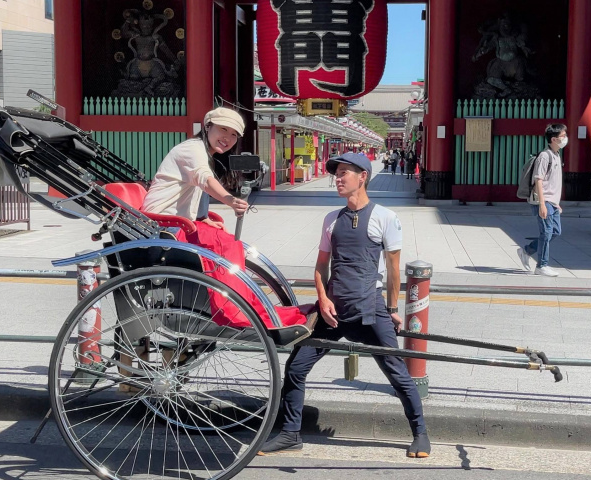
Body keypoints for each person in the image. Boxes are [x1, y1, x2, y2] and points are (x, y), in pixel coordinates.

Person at [259, 152, 431, 459]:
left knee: (396, 372)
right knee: (296, 367)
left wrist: (392, 310)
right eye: (336, 174)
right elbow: (320, 267)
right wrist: (323, 298)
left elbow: (393, 270)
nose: (337, 179)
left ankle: (420, 434)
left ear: (362, 176)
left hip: (369, 310)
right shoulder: (331, 219)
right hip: (333, 312)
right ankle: (290, 433)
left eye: (344, 173)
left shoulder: (386, 218)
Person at [142, 107, 249, 228]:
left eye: (234, 134)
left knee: (223, 239)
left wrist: (203, 217)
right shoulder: (192, 149)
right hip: (159, 221)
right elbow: (206, 181)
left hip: (178, 221)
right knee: (226, 245)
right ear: (208, 126)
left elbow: (200, 187)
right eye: (223, 129)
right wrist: (231, 201)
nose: (227, 138)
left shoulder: (206, 153)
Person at [517, 123, 565, 277]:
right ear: (553, 139)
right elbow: (539, 180)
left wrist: (557, 204)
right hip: (542, 201)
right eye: (562, 136)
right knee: (546, 232)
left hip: (552, 203)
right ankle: (541, 266)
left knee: (555, 232)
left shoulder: (556, 156)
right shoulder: (545, 156)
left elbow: (553, 183)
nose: (565, 139)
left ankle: (527, 250)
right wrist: (542, 204)